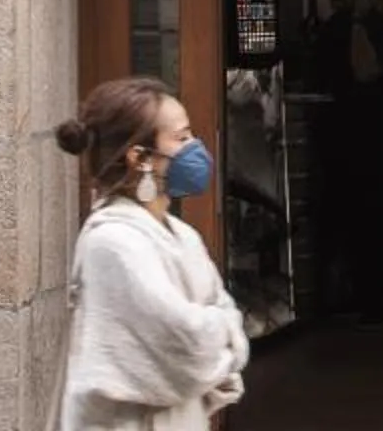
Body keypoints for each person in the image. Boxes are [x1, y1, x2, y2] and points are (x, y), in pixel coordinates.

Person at [51, 77, 250, 430]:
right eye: (181, 137)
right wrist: (222, 334)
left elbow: (220, 316)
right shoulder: (112, 243)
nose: (196, 148)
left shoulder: (182, 235)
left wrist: (216, 335)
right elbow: (186, 346)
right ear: (140, 157)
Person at [305, 0, 383, 322]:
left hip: (367, 139)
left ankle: (367, 301)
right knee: (345, 220)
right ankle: (345, 299)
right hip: (345, 139)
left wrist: (356, 25)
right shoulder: (336, 29)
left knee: (365, 221)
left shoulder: (380, 31)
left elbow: (368, 72)